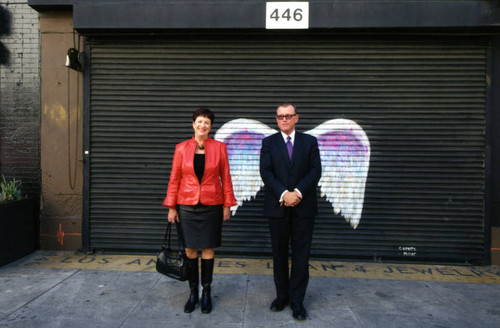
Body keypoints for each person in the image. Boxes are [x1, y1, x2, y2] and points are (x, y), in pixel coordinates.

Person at [163, 108, 237, 314]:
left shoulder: (220, 148)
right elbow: (174, 178)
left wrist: (227, 204)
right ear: (193, 124)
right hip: (186, 206)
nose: (203, 125)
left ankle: (206, 292)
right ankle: (193, 292)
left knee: (208, 249)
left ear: (210, 127)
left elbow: (226, 178)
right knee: (189, 250)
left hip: (212, 205)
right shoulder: (181, 148)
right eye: (200, 121)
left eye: (207, 123)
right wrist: (171, 206)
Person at [259, 102, 321, 321]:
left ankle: (297, 301)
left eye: (288, 116)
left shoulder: (310, 142)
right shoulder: (268, 143)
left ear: (297, 118)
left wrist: (298, 193)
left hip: (304, 208)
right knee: (279, 255)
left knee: (301, 256)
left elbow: (315, 171)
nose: (283, 119)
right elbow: (266, 172)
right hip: (278, 207)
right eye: (279, 116)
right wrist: (284, 194)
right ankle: (281, 296)